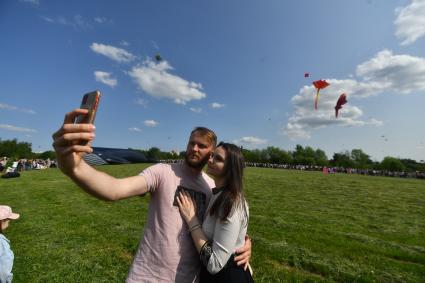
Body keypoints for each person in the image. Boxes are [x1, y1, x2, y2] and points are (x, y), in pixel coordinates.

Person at [51, 108, 251, 283]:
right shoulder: (161, 171)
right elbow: (114, 189)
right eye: (191, 143)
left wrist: (244, 244)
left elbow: (223, 231)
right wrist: (74, 168)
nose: (194, 149)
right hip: (147, 276)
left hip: (191, 279)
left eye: (202, 146)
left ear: (211, 153)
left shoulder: (210, 187)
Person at [177, 142, 254, 282]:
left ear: (231, 168)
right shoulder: (218, 193)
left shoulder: (231, 204)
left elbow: (215, 264)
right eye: (212, 155)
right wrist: (247, 240)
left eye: (218, 159)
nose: (210, 160)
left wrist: (192, 220)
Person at [0, 205, 20, 283]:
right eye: (8, 220)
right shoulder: (1, 243)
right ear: (1, 221)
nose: (9, 221)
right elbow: (3, 269)